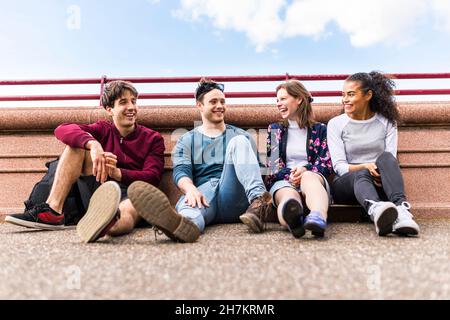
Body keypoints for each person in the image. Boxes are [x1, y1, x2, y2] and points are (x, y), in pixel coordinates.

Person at [5, 80, 165, 242]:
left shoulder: (152, 138)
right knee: (76, 146)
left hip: (129, 192)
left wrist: (117, 173)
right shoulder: (102, 129)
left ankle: (108, 224)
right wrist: (93, 144)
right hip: (97, 189)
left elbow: (152, 177)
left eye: (134, 101)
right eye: (123, 102)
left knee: (129, 208)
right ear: (109, 109)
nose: (131, 107)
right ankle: (53, 211)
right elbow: (62, 129)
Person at [126, 78, 273, 243]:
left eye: (222, 101)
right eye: (213, 101)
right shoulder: (187, 139)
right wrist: (190, 189)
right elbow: (181, 171)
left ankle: (260, 204)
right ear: (200, 106)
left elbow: (258, 171)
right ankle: (182, 225)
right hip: (204, 195)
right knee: (191, 207)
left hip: (235, 197)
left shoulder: (242, 136)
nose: (220, 106)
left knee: (238, 141)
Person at [327, 71, 420, 236]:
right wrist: (365, 167)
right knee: (361, 173)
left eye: (351, 94)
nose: (345, 100)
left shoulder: (387, 122)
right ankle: (377, 211)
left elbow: (389, 159)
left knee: (387, 158)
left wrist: (379, 175)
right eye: (343, 95)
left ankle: (401, 212)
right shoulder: (335, 124)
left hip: (380, 183)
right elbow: (339, 167)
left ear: (368, 95)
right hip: (346, 186)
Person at [241, 80, 333, 238]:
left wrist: (305, 170)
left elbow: (326, 162)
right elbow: (273, 166)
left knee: (309, 179)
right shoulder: (275, 130)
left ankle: (318, 217)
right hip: (285, 180)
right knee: (288, 197)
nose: (278, 103)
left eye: (283, 99)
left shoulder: (321, 129)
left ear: (299, 99)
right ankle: (293, 222)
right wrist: (291, 175)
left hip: (313, 178)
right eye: (277, 100)